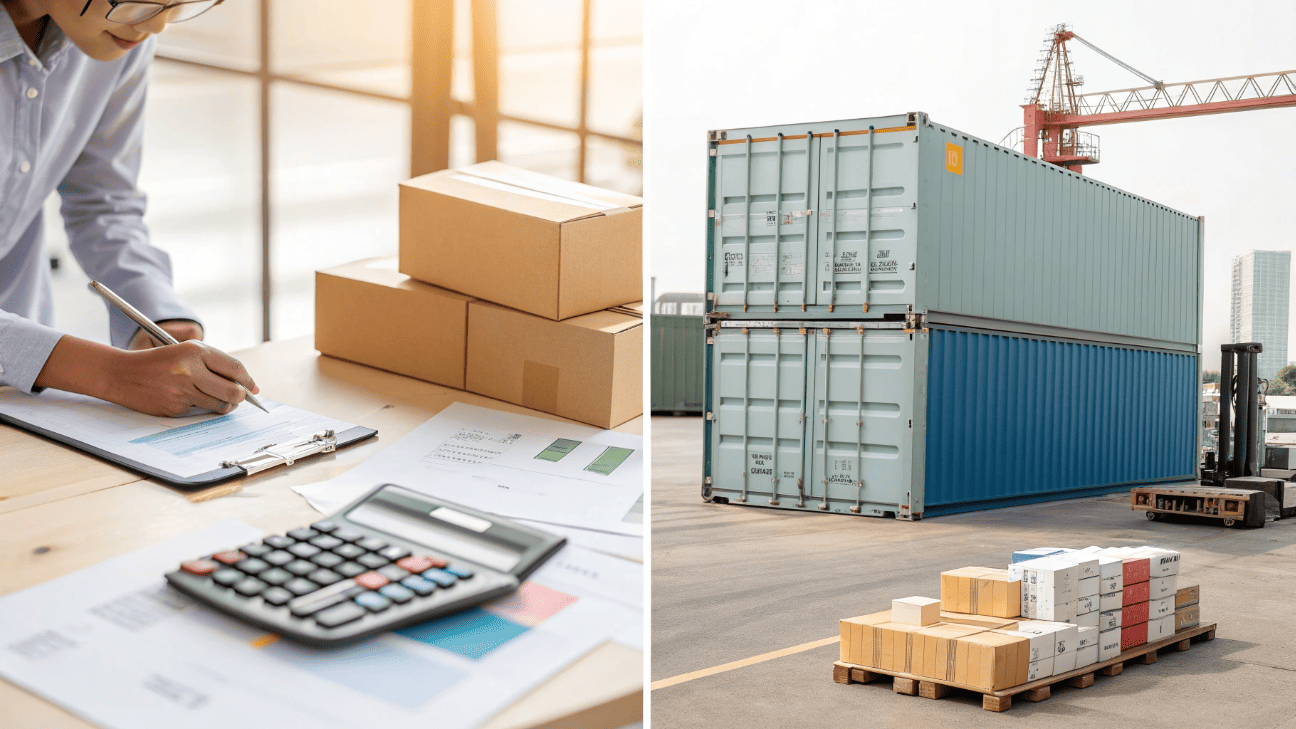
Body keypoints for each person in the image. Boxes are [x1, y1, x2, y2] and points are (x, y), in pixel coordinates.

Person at [0, 0, 258, 417]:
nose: (157, 26)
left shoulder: (113, 36)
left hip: (23, 394)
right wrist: (110, 374)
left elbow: (104, 204)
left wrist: (157, 319)